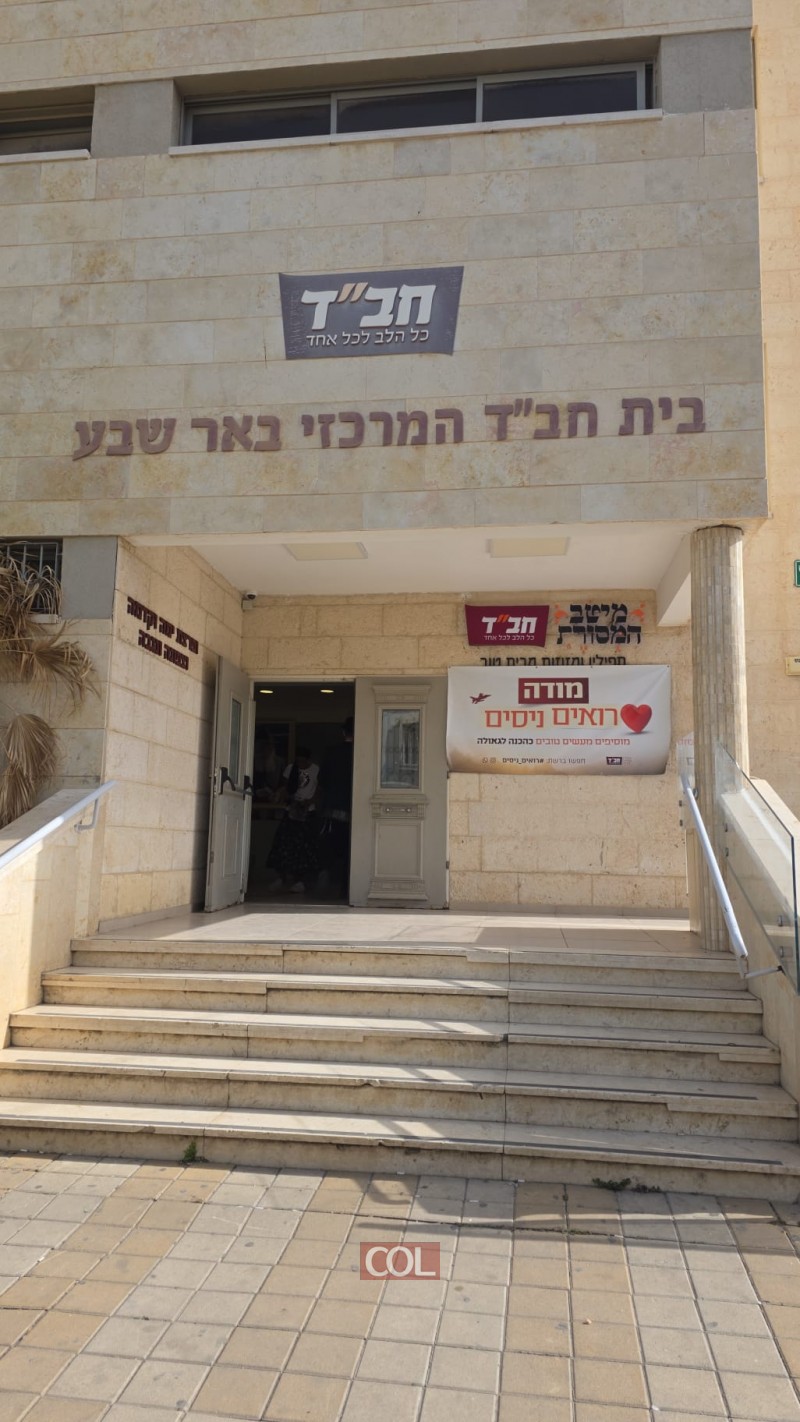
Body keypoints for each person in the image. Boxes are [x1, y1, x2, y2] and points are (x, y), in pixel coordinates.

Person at [265, 746, 320, 892]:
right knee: (283, 844)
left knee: (304, 847)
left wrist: (309, 802)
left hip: (307, 812)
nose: (300, 764)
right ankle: (281, 876)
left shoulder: (316, 770)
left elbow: (319, 790)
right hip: (291, 810)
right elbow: (284, 787)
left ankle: (301, 880)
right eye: (298, 761)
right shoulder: (291, 769)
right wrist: (280, 796)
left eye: (303, 762)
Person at [317, 717, 354, 898]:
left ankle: (324, 874)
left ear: (343, 732)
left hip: (332, 808)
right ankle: (346, 888)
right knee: (350, 849)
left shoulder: (331, 752)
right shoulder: (361, 752)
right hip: (355, 808)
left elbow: (322, 780)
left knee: (329, 845)